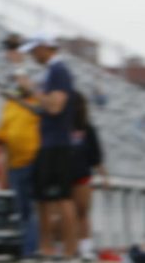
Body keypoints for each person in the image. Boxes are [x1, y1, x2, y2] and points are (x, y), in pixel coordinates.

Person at [16, 33, 78, 260]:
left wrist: (31, 90)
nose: (32, 55)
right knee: (43, 198)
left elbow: (55, 107)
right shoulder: (53, 72)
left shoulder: (59, 71)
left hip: (58, 144)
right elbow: (48, 109)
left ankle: (69, 251)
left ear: (44, 48)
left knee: (62, 198)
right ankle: (47, 248)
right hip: (49, 142)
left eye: (34, 50)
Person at [0, 65, 41, 259]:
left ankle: (31, 250)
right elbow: (3, 135)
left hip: (33, 160)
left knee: (32, 209)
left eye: (21, 79)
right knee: (22, 209)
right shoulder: (10, 105)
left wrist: (27, 87)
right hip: (15, 163)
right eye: (15, 79)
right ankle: (26, 249)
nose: (17, 83)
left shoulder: (35, 101)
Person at [69, 92, 108, 262]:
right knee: (68, 213)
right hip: (64, 176)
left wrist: (104, 176)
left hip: (82, 176)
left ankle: (85, 246)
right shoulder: (61, 127)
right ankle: (70, 245)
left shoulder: (88, 129)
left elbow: (96, 156)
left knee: (82, 212)